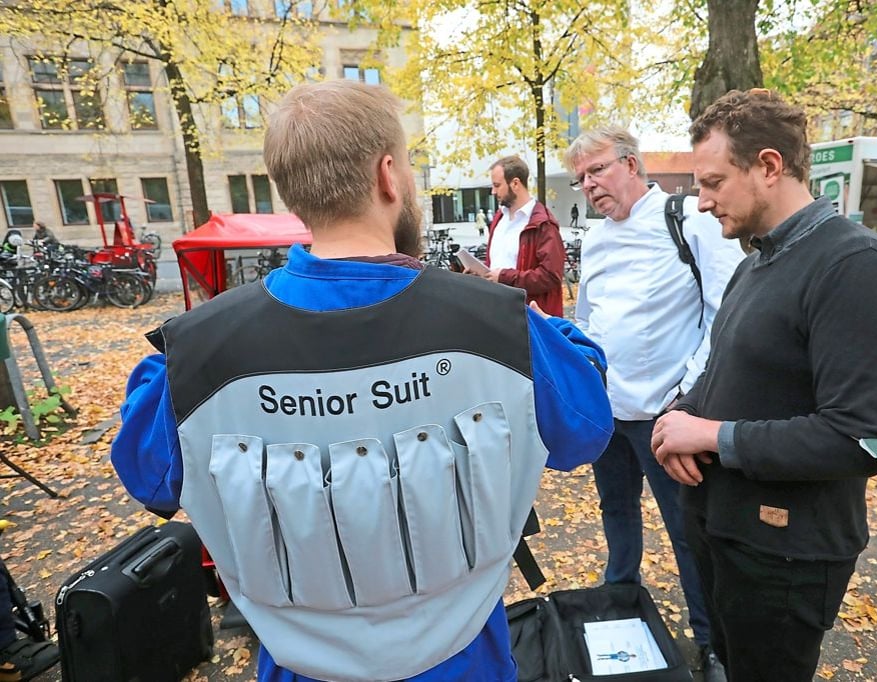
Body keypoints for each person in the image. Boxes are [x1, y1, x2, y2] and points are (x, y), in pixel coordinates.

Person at [110, 80, 614, 682]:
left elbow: (148, 473)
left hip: (299, 667)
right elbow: (584, 430)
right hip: (466, 660)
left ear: (289, 190)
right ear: (387, 176)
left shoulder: (193, 353)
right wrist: (543, 331)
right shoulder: (500, 326)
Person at [651, 89, 877, 681]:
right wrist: (680, 416)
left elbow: (860, 437)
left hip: (784, 557)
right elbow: (731, 371)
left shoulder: (855, 266)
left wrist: (714, 435)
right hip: (726, 533)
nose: (701, 202)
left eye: (714, 182)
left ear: (769, 166)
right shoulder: (755, 264)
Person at [564, 124, 745, 682]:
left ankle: (711, 642)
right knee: (616, 511)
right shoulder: (594, 238)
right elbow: (587, 320)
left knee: (689, 532)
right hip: (609, 415)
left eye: (597, 170)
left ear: (632, 164)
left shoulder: (687, 220)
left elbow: (725, 313)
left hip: (670, 418)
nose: (589, 185)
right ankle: (621, 600)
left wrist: (686, 397)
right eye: (580, 179)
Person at [481, 155, 565, 316]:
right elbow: (496, 263)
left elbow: (550, 276)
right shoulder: (500, 218)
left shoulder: (543, 224)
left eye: (497, 185)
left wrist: (504, 277)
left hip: (528, 318)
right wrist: (481, 273)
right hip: (497, 311)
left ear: (515, 183)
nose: (493, 191)